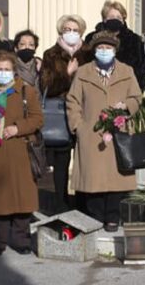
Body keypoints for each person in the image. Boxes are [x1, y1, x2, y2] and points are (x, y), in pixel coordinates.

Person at [67, 31, 142, 232]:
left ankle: (112, 218)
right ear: (94, 50)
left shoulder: (127, 71)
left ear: (115, 50)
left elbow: (136, 97)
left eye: (108, 48)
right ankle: (95, 217)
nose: (104, 51)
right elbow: (72, 100)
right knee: (93, 179)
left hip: (119, 131)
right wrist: (78, 126)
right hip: (91, 132)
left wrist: (126, 106)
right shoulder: (83, 72)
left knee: (117, 178)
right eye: (100, 48)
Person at [0, 50, 44, 256]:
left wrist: (18, 128)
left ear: (14, 71)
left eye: (7, 69)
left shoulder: (26, 91)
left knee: (22, 197)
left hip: (20, 149)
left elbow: (37, 119)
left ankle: (21, 240)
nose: (3, 73)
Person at [40, 14, 93, 213]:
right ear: (61, 31)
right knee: (62, 163)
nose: (71, 33)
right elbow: (46, 85)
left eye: (75, 30)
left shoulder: (89, 53)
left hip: (85, 112)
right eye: (67, 30)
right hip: (61, 115)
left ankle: (83, 203)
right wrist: (67, 74)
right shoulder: (50, 54)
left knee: (84, 160)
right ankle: (60, 203)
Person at [84, 1, 145, 88]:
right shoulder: (91, 38)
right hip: (96, 88)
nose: (115, 19)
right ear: (104, 19)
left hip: (126, 88)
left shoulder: (134, 40)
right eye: (112, 17)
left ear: (123, 19)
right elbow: (86, 64)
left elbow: (141, 69)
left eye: (118, 17)